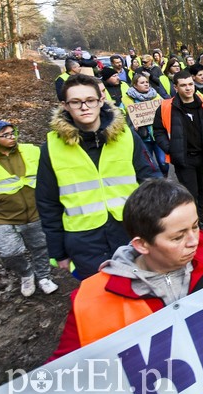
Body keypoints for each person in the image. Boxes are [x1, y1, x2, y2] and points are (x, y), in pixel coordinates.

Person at [49, 179, 203, 359]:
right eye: (177, 237)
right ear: (141, 245)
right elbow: (62, 376)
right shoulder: (90, 304)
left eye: (195, 226)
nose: (194, 241)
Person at [36, 74, 161, 280]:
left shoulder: (126, 136)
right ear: (65, 105)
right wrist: (58, 252)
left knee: (144, 289)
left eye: (90, 100)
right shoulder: (51, 148)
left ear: (101, 100)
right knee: (103, 299)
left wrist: (158, 226)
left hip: (131, 231)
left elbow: (151, 181)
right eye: (76, 102)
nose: (84, 107)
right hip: (84, 241)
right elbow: (48, 203)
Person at [0, 120, 58, 296]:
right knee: (8, 253)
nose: (12, 137)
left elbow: (48, 172)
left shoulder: (30, 150)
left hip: (35, 211)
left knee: (40, 247)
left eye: (13, 133)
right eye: (5, 135)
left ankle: (44, 276)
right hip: (2, 216)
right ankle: (26, 273)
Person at [153, 70, 203, 211]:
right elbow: (158, 131)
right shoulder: (166, 107)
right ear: (176, 88)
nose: (188, 88)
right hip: (183, 159)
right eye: (183, 85)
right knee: (190, 194)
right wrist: (170, 148)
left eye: (190, 84)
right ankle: (194, 220)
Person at [122, 72, 170, 178]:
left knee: (163, 162)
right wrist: (131, 124)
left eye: (147, 82)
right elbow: (121, 116)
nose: (146, 84)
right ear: (135, 85)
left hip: (157, 135)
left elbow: (166, 111)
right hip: (141, 137)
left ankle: (165, 179)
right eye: (142, 82)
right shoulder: (126, 99)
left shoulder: (156, 96)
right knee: (148, 164)